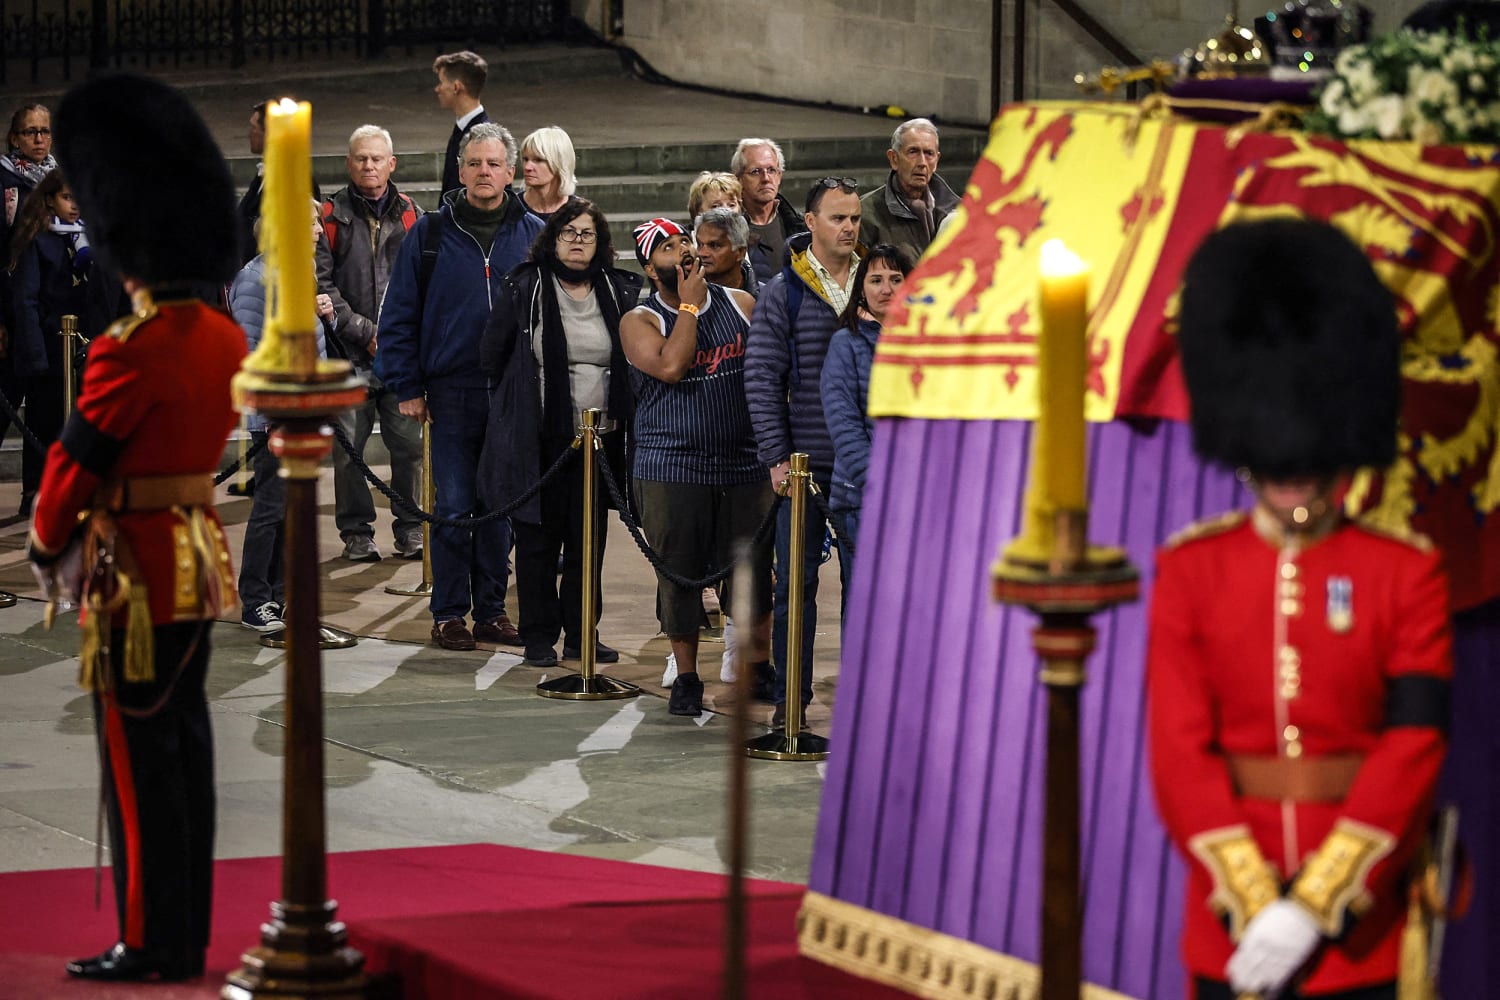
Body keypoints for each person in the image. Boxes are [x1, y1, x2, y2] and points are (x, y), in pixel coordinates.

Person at [1147, 218, 1452, 1000]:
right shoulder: (1192, 569)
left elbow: (1413, 743)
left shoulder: (1405, 572)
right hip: (1229, 922)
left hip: (1363, 927)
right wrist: (1254, 900)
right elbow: (1180, 751)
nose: (1292, 474)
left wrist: (1317, 905)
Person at [28, 72, 244, 982]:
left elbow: (73, 465)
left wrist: (45, 544)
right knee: (184, 747)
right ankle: (183, 928)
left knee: (139, 756)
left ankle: (152, 939)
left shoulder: (135, 346)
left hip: (138, 569)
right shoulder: (224, 338)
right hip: (197, 554)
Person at [377, 122, 541, 651]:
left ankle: (492, 610)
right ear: (460, 170)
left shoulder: (535, 232)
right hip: (450, 391)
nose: (483, 172)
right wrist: (407, 383)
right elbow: (399, 314)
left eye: (494, 164)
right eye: (474, 163)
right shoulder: (428, 234)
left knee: (499, 508)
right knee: (452, 506)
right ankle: (449, 612)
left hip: (513, 394)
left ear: (510, 172)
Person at [620, 218, 773, 717]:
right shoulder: (639, 320)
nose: (684, 250)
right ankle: (686, 675)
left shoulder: (741, 304)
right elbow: (670, 365)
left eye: (686, 240)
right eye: (669, 247)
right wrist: (688, 305)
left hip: (743, 463)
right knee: (680, 575)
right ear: (650, 267)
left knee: (752, 573)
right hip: (672, 466)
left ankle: (759, 665)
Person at [479, 201, 639, 667]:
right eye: (568, 232)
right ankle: (538, 636)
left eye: (587, 234)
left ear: (600, 242)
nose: (577, 241)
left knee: (588, 541)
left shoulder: (617, 288)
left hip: (600, 441)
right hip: (541, 439)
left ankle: (581, 633)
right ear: (552, 237)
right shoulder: (527, 285)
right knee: (538, 541)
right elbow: (493, 353)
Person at [745, 177, 862, 728]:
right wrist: (776, 455)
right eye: (837, 218)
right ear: (809, 223)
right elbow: (763, 377)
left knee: (868, 589)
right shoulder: (784, 290)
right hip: (804, 468)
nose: (848, 228)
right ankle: (792, 701)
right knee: (797, 587)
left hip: (866, 468)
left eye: (855, 218)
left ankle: (867, 704)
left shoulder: (877, 284)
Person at [316, 124, 425, 563]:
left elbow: (422, 283)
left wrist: (398, 339)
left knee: (409, 449)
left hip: (399, 359)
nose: (369, 166)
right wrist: (366, 332)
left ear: (391, 163)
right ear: (349, 163)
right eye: (361, 158)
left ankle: (411, 526)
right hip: (348, 355)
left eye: (377, 158)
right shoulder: (330, 216)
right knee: (349, 452)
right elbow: (321, 285)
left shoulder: (413, 216)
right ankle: (357, 532)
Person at [232, 210, 335, 631]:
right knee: (271, 509)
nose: (317, 230)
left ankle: (279, 594)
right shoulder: (255, 280)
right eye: (309, 223)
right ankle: (256, 598)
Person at [6, 170, 101, 516]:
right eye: (66, 198)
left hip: (81, 346)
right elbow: (26, 299)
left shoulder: (86, 237)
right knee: (43, 424)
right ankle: (36, 492)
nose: (74, 206)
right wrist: (34, 355)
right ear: (49, 200)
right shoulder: (37, 238)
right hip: (48, 346)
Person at [821, 244, 912, 569]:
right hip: (864, 498)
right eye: (876, 280)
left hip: (920, 497)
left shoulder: (929, 341)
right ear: (861, 288)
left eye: (895, 279)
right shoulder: (846, 343)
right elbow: (844, 426)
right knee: (867, 606)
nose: (886, 288)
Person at [0, 103, 58, 503]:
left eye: (45, 131)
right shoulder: (4, 180)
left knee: (45, 410)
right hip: (9, 310)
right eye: (30, 132)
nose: (39, 139)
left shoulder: (58, 180)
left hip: (47, 314)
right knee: (5, 402)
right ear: (15, 137)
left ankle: (34, 491)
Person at [858, 118, 959, 265]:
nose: (922, 163)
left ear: (936, 160)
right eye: (913, 152)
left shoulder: (959, 212)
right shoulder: (866, 213)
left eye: (929, 154)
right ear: (894, 159)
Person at [733, 138, 805, 283]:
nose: (766, 178)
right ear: (739, 179)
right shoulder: (728, 231)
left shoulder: (800, 226)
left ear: (779, 177)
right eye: (756, 171)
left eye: (772, 170)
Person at [433, 50, 490, 197]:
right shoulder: (462, 128)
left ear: (456, 87)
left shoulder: (485, 138)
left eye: (441, 82)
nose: (437, 89)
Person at [695, 206, 759, 298]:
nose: (702, 253)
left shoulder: (768, 298)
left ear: (740, 252)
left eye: (714, 246)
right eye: (700, 244)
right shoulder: (682, 295)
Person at [518, 126, 577, 221]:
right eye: (525, 159)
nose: (527, 167)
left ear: (559, 163)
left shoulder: (580, 213)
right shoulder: (512, 209)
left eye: (538, 160)